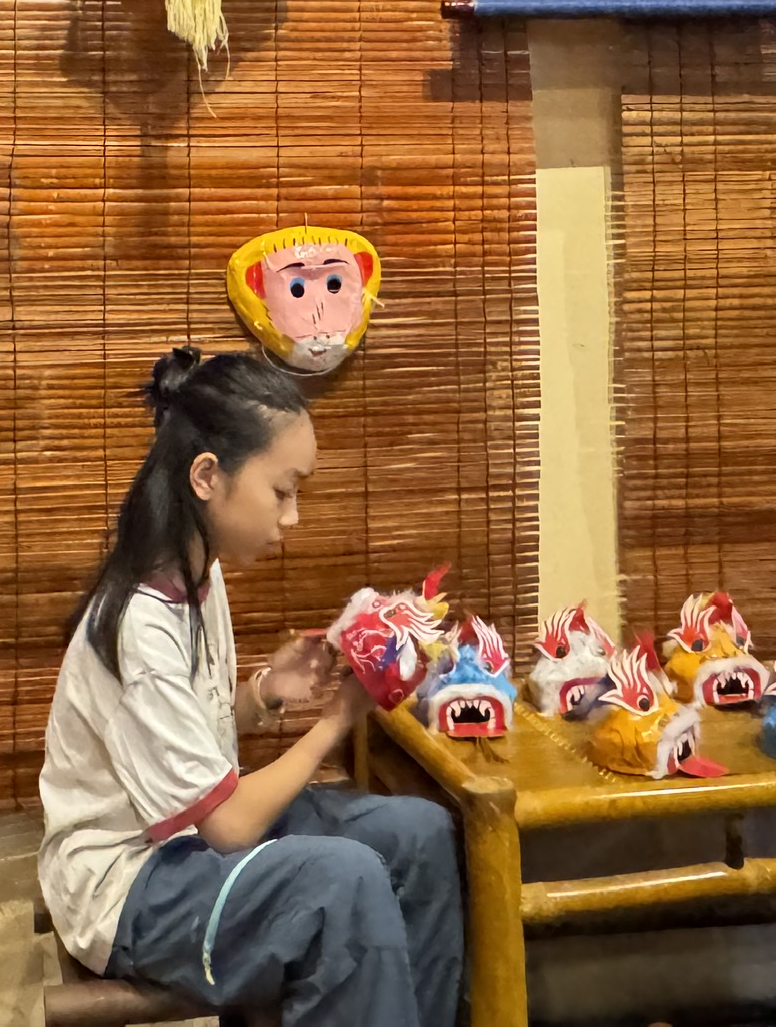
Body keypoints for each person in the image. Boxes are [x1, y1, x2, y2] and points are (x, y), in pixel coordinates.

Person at [38, 347, 464, 1027]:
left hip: (189, 840)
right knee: (344, 883)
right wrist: (336, 719)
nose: (291, 517)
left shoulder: (198, 574)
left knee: (420, 833)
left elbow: (182, 742)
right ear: (207, 476)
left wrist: (264, 691)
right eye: (282, 491)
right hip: (131, 886)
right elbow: (230, 823)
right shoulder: (139, 625)